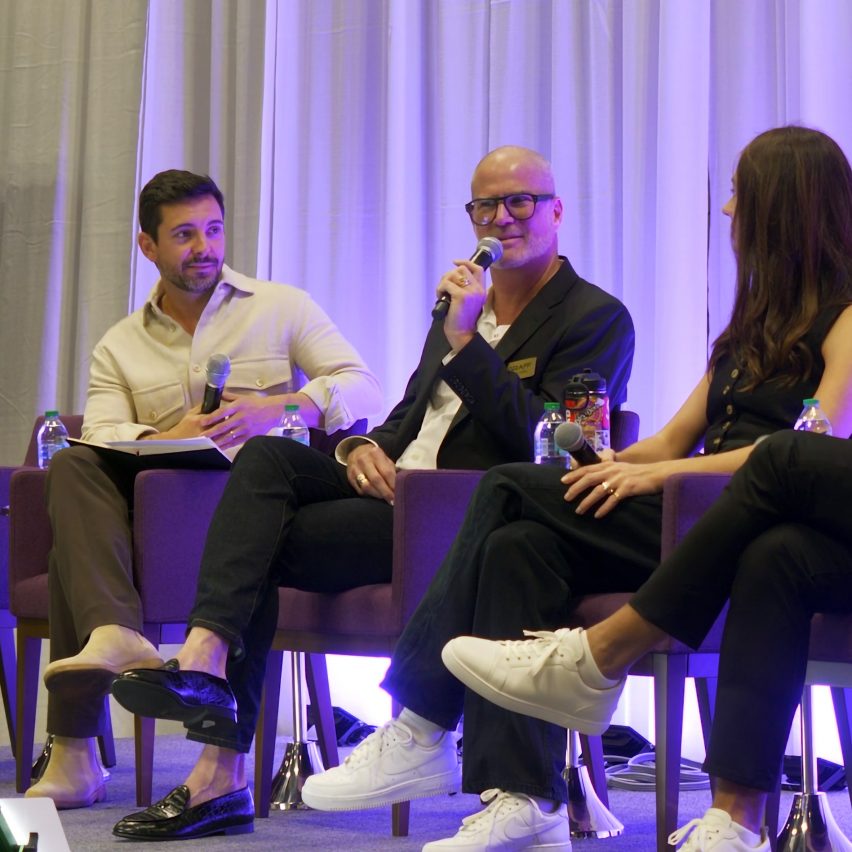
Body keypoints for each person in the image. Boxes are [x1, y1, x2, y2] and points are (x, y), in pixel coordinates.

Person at [278, 125, 851, 851]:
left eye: (740, 194)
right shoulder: (748, 332)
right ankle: (527, 800)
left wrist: (651, 475)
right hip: (691, 513)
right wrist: (608, 466)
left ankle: (420, 722)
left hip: (728, 515)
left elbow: (809, 451)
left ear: (782, 208)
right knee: (520, 543)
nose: (729, 211)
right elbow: (667, 442)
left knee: (513, 487)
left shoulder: (846, 319)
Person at [108, 144, 635, 841]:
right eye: (485, 205)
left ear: (557, 211)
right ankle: (206, 657)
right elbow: (406, 419)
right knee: (268, 459)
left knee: (251, 548)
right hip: (388, 501)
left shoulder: (593, 316)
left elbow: (556, 441)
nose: (500, 218)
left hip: (464, 517)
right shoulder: (458, 310)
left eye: (520, 202)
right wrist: (361, 450)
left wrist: (466, 343)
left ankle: (218, 771)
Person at [28, 169, 383, 811]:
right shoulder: (119, 345)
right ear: (147, 246)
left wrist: (283, 406)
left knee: (67, 558)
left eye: (213, 230)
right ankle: (113, 633)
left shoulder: (281, 306)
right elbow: (103, 431)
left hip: (259, 515)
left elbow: (362, 385)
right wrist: (171, 432)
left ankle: (74, 746)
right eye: (185, 234)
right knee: (75, 467)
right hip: (161, 520)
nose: (204, 247)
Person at [442, 428, 852, 852]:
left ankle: (598, 659)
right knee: (775, 552)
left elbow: (819, 423)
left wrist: (657, 473)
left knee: (779, 454)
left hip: (743, 488)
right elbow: (675, 436)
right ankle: (736, 827)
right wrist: (623, 463)